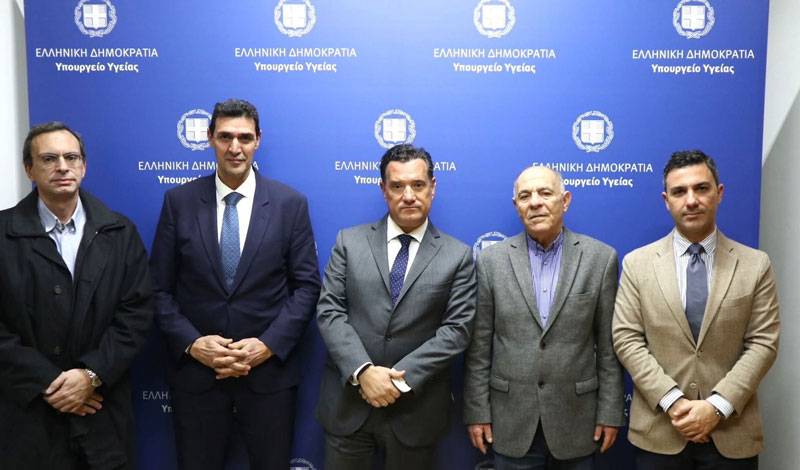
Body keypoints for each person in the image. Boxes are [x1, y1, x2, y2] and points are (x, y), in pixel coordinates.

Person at [150, 99, 321, 470]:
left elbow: (307, 287)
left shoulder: (289, 204)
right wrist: (193, 344)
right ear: (210, 138)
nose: (235, 147)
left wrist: (267, 345)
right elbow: (157, 290)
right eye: (225, 137)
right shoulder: (179, 202)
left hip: (268, 379)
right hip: (198, 377)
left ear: (258, 140)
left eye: (244, 137)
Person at [613, 150, 780, 469]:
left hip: (731, 432)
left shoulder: (755, 265)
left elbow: (763, 343)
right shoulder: (637, 264)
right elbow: (626, 339)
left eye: (701, 188)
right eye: (679, 191)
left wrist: (716, 407)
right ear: (666, 200)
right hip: (660, 432)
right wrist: (673, 402)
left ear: (719, 193)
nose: (691, 200)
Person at [0, 122, 153, 469]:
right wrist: (49, 383)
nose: (62, 167)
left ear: (84, 167)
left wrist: (90, 376)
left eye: (71, 158)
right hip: (26, 418)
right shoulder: (3, 234)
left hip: (101, 412)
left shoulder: (120, 232)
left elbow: (137, 314)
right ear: (29, 169)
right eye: (49, 159)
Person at [316, 143, 476, 470]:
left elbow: (457, 331)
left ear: (433, 187)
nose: (409, 195)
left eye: (418, 185)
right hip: (349, 407)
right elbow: (330, 311)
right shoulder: (349, 242)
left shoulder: (457, 256)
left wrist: (396, 381)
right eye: (398, 186)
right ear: (383, 189)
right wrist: (363, 372)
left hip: (416, 411)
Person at [463, 166, 624, 470]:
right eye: (525, 196)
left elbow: (608, 348)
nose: (535, 202)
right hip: (510, 421)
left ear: (565, 200)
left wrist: (610, 412)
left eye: (545, 193)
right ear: (517, 206)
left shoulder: (600, 259)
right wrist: (477, 411)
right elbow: (479, 348)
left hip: (577, 419)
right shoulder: (491, 261)